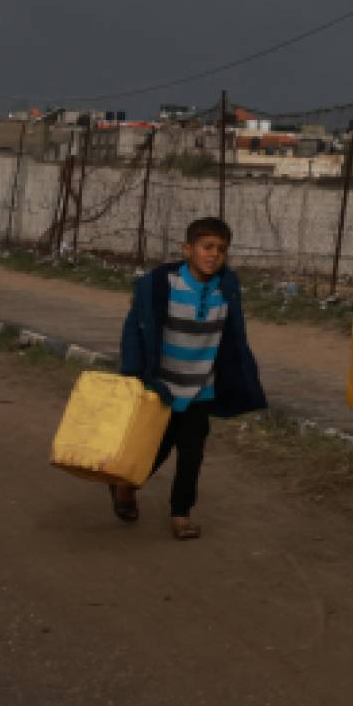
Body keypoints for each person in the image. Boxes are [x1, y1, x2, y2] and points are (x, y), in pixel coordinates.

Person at [115, 216, 268, 539]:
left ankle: (181, 514)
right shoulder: (160, 284)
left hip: (201, 389)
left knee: (192, 454)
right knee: (153, 449)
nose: (213, 255)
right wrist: (132, 372)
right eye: (206, 247)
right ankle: (126, 485)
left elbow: (234, 336)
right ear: (188, 249)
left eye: (221, 249)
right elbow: (135, 328)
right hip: (162, 387)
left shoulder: (227, 288)